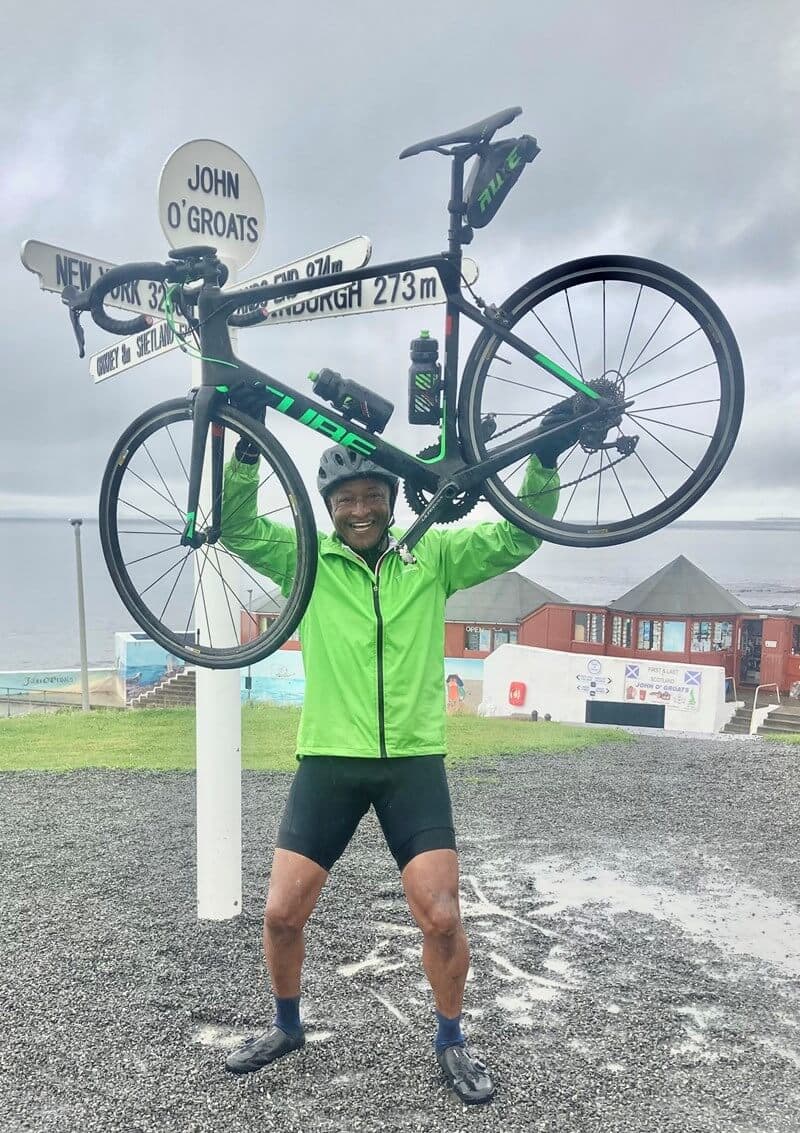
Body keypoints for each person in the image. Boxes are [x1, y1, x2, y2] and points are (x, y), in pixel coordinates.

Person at [219, 396, 581, 1105]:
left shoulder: (433, 553)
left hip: (413, 762)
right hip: (328, 757)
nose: (362, 509)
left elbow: (516, 539)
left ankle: (451, 1040)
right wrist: (244, 446)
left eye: (374, 496)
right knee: (281, 914)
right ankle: (286, 1025)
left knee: (442, 915)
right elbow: (233, 526)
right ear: (328, 506)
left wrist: (544, 457)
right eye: (347, 498)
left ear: (391, 499)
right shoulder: (305, 558)